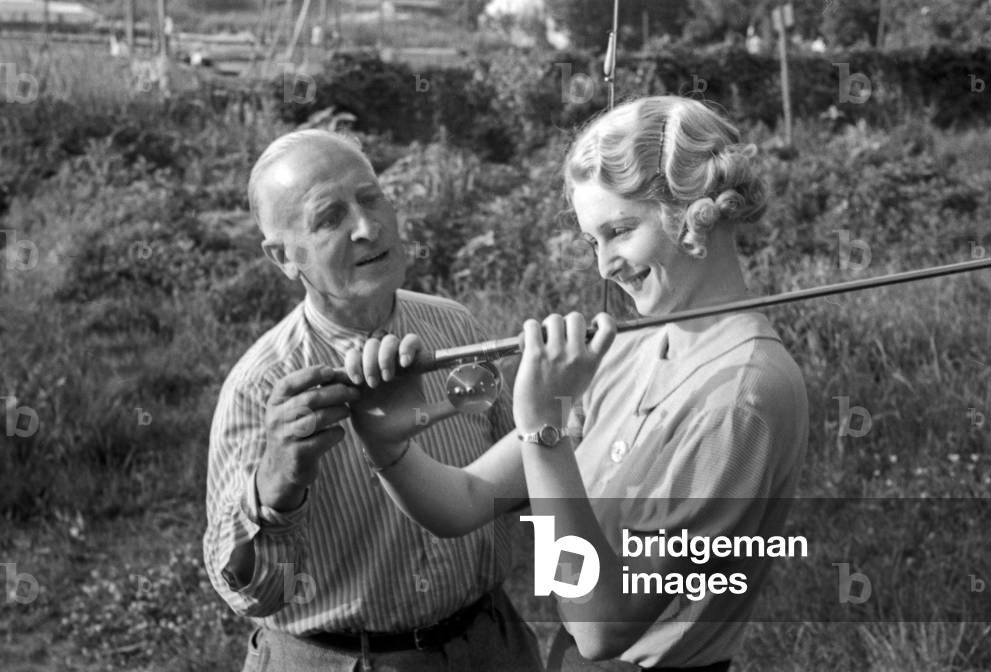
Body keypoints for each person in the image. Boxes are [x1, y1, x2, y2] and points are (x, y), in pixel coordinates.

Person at [343, 96, 810, 671]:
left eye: (619, 230)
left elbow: (599, 625)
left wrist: (543, 430)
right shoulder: (627, 351)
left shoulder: (743, 397)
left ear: (695, 216)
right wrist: (387, 444)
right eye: (594, 241)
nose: (604, 266)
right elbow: (462, 502)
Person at [202, 129, 542, 672]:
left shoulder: (454, 328)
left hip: (488, 645)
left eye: (370, 197)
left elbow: (521, 484)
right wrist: (275, 486)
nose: (367, 227)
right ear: (282, 256)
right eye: (330, 218)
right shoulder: (264, 387)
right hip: (343, 662)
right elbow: (252, 593)